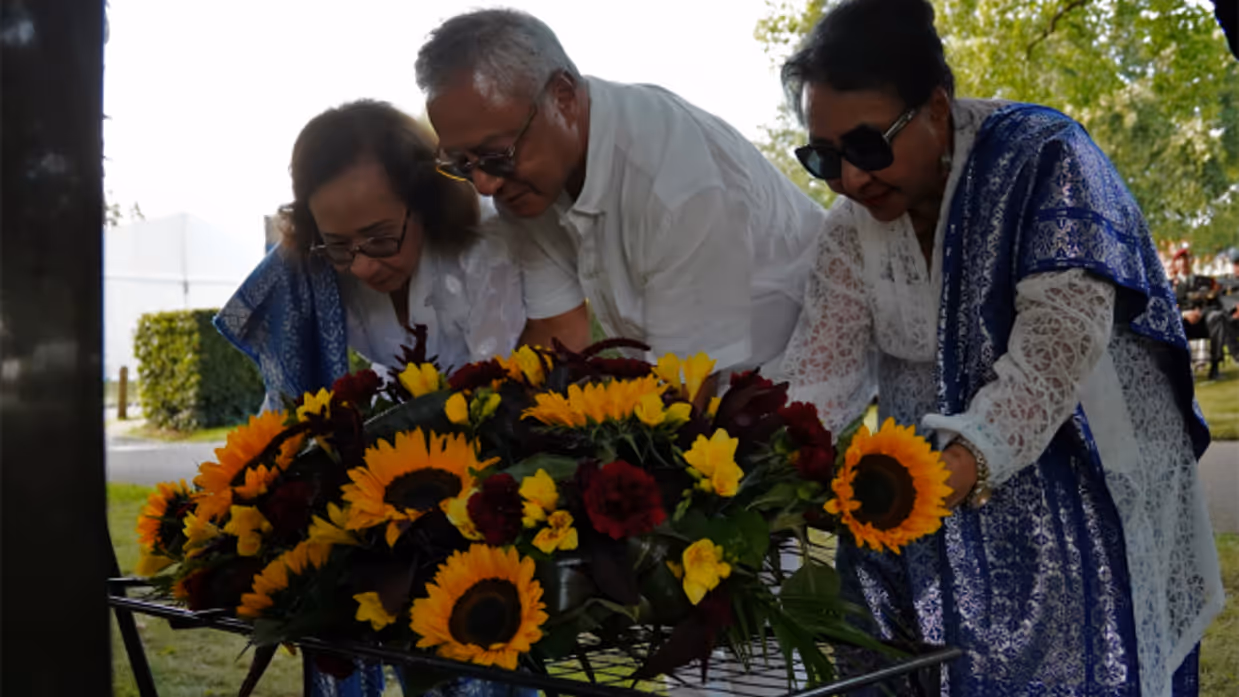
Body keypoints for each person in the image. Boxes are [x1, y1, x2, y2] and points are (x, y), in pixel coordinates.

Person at [777, 1, 1223, 695]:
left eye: (867, 147)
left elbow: (1055, 347)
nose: (852, 180)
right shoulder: (847, 231)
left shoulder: (1045, 157)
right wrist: (748, 465)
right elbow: (818, 376)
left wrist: (945, 472)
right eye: (823, 157)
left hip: (1067, 495)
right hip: (910, 505)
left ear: (934, 105)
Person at [214, 100, 528, 697]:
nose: (360, 265)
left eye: (380, 237)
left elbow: (504, 394)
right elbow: (290, 374)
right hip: (391, 483)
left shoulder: (487, 250)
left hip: (490, 476)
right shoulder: (315, 269)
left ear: (427, 200)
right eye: (338, 245)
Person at [413, 9, 827, 394]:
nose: (484, 185)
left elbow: (685, 393)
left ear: (563, 97)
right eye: (463, 164)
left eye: (495, 156)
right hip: (691, 383)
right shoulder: (525, 186)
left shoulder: (676, 185)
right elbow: (557, 333)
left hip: (803, 377)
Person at [1170, 247, 1239, 379]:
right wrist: (1185, 314)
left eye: (1186, 259)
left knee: (1217, 316)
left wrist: (1201, 312)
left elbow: (1214, 302)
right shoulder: (1169, 286)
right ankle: (1186, 370)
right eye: (1179, 259)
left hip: (1205, 322)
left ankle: (1215, 368)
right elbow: (1168, 309)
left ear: (1191, 261)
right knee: (1174, 324)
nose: (1184, 262)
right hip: (1184, 323)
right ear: (1175, 264)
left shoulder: (1205, 281)